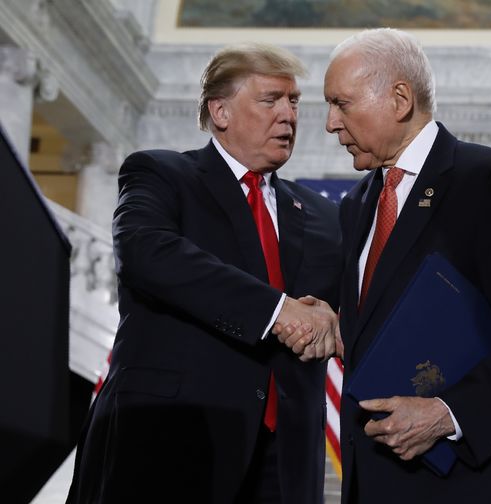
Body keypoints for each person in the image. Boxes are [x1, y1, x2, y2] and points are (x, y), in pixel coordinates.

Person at [67, 43, 342, 504]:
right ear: (220, 111)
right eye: (270, 99)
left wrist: (334, 320)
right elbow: (147, 251)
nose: (288, 116)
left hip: (285, 461)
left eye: (294, 101)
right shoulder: (162, 173)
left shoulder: (321, 214)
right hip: (171, 444)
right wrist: (277, 312)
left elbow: (348, 305)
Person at [323, 28, 491, 502]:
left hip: (468, 486)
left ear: (399, 99)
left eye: (341, 103)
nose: (330, 124)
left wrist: (448, 413)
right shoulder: (357, 205)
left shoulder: (489, 181)